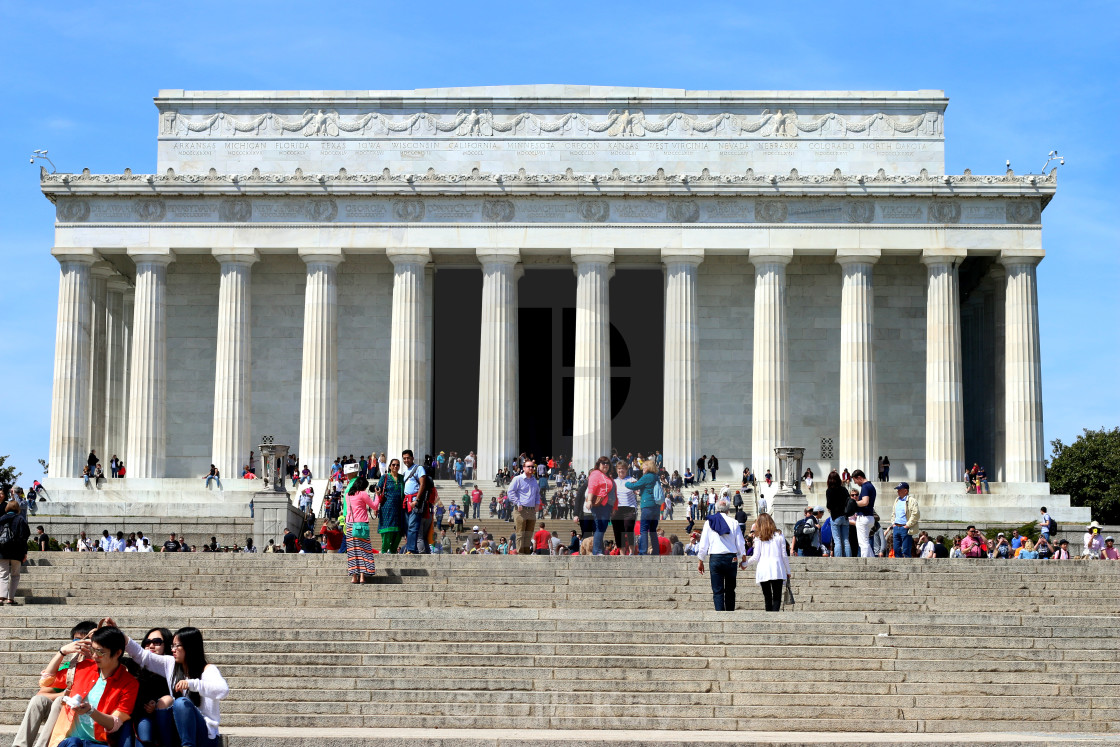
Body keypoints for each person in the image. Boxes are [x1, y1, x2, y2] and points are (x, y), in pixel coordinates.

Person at [111, 622, 228, 747]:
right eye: (172, 645)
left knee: (181, 703)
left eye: (177, 646)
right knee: (168, 702)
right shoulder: (170, 663)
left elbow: (223, 690)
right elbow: (142, 655)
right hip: (178, 733)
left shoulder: (208, 669)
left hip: (205, 735)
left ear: (190, 647)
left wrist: (192, 684)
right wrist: (119, 634)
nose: (173, 649)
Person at [48, 625, 139, 747]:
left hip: (99, 743)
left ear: (117, 653)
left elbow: (115, 723)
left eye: (100, 652)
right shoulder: (84, 667)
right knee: (73, 743)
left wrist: (91, 711)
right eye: (93, 650)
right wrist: (62, 652)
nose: (94, 656)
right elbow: (47, 680)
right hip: (69, 739)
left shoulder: (129, 683)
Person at [13, 620, 98, 747]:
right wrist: (61, 652)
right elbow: (43, 688)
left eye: (85, 640)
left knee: (61, 701)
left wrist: (64, 697)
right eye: (76, 641)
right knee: (39, 700)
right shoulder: (71, 666)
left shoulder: (101, 664)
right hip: (60, 710)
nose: (80, 644)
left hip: (82, 711)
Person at [696, 498, 747, 611]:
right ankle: (729, 613)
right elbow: (740, 542)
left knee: (717, 590)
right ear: (728, 510)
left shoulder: (709, 522)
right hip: (731, 557)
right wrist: (743, 557)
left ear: (716, 508)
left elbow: (704, 543)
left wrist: (701, 560)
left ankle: (719, 613)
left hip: (715, 557)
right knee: (730, 589)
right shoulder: (734, 522)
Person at [745, 513, 791, 612]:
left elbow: (755, 556)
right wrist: (788, 571)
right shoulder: (779, 535)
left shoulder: (758, 537)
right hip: (777, 568)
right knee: (777, 597)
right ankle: (774, 617)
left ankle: (769, 616)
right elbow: (784, 555)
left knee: (767, 597)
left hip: (763, 569)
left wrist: (744, 564)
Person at [626, 460, 662, 556]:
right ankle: (655, 551)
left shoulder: (646, 477)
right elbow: (649, 489)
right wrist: (639, 493)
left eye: (644, 467)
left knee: (644, 529)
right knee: (653, 530)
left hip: (647, 506)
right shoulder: (656, 477)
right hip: (656, 507)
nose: (642, 469)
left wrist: (626, 483)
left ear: (648, 467)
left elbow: (634, 486)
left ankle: (643, 551)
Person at [507, 458, 542, 555]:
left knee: (529, 533)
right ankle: (520, 553)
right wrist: (517, 503)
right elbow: (510, 492)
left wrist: (537, 503)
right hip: (520, 510)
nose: (531, 468)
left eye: (532, 466)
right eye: (528, 466)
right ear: (523, 468)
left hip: (531, 510)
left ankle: (526, 553)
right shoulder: (517, 479)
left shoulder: (534, 480)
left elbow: (537, 493)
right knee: (520, 533)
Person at [400, 450, 432, 554]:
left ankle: (411, 549)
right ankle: (410, 548)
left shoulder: (419, 468)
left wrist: (417, 500)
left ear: (413, 458)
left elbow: (422, 484)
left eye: (408, 458)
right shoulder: (405, 472)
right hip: (407, 501)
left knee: (413, 526)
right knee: (407, 526)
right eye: (404, 458)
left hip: (415, 501)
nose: (406, 460)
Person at [1, 500, 31, 604]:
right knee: (15, 575)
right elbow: (24, 537)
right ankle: (10, 598)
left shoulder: (2, 519)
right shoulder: (21, 519)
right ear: (17, 508)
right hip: (17, 551)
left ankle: (1, 596)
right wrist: (24, 552)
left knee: (2, 574)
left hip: (2, 550)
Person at [585, 457, 614, 556]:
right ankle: (597, 551)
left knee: (602, 528)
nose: (605, 465)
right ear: (598, 464)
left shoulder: (605, 475)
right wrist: (589, 500)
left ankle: (599, 550)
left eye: (607, 463)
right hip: (599, 504)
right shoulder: (596, 473)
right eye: (603, 463)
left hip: (606, 505)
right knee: (600, 527)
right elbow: (592, 487)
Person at [824, 470, 851, 557]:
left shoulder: (829, 491)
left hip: (835, 517)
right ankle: (849, 559)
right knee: (846, 540)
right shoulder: (844, 489)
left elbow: (829, 505)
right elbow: (848, 502)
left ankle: (838, 559)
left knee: (837, 540)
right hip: (845, 516)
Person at [850, 470, 876, 558]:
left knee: (863, 543)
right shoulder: (871, 486)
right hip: (870, 517)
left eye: (855, 480)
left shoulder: (865, 487)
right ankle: (871, 560)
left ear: (859, 477)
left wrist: (853, 503)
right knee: (866, 542)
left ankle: (864, 562)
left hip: (863, 517)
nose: (855, 483)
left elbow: (865, 502)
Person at [890, 482, 919, 559]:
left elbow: (915, 514)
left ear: (905, 491)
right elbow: (893, 513)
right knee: (896, 549)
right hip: (896, 527)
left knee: (906, 549)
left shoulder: (912, 500)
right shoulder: (897, 500)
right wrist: (893, 523)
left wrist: (907, 525)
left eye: (899, 490)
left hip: (905, 527)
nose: (898, 491)